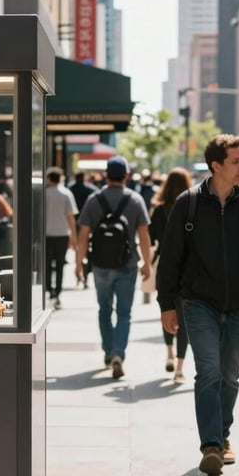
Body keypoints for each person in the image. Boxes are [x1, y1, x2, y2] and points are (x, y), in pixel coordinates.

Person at [156, 134, 239, 476]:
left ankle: (222, 435)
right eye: (236, 161)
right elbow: (171, 259)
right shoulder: (188, 203)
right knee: (208, 371)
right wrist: (167, 305)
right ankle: (211, 444)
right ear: (216, 166)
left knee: (230, 375)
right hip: (199, 303)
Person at [75, 156, 152, 379]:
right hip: (127, 264)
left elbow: (83, 235)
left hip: (99, 264)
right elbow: (144, 235)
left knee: (104, 309)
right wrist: (147, 263)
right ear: (126, 175)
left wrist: (79, 263)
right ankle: (119, 352)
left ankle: (108, 351)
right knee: (125, 313)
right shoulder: (135, 200)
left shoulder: (93, 200)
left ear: (106, 175)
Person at [148, 166, 193, 383]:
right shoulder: (192, 208)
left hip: (165, 269)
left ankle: (168, 354)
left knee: (167, 310)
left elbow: (153, 238)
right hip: (187, 269)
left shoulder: (158, 210)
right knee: (184, 319)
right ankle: (180, 368)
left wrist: (150, 261)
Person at [45, 167, 78, 309]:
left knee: (46, 264)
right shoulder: (66, 194)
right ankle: (57, 292)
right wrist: (74, 236)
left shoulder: (44, 193)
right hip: (62, 234)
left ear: (49, 178)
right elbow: (71, 216)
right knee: (60, 266)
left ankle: (49, 289)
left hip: (46, 234)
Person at [68, 170, 98, 288]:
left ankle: (79, 270)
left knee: (77, 247)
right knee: (87, 247)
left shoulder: (70, 189)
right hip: (89, 222)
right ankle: (85, 275)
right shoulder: (91, 190)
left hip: (75, 221)